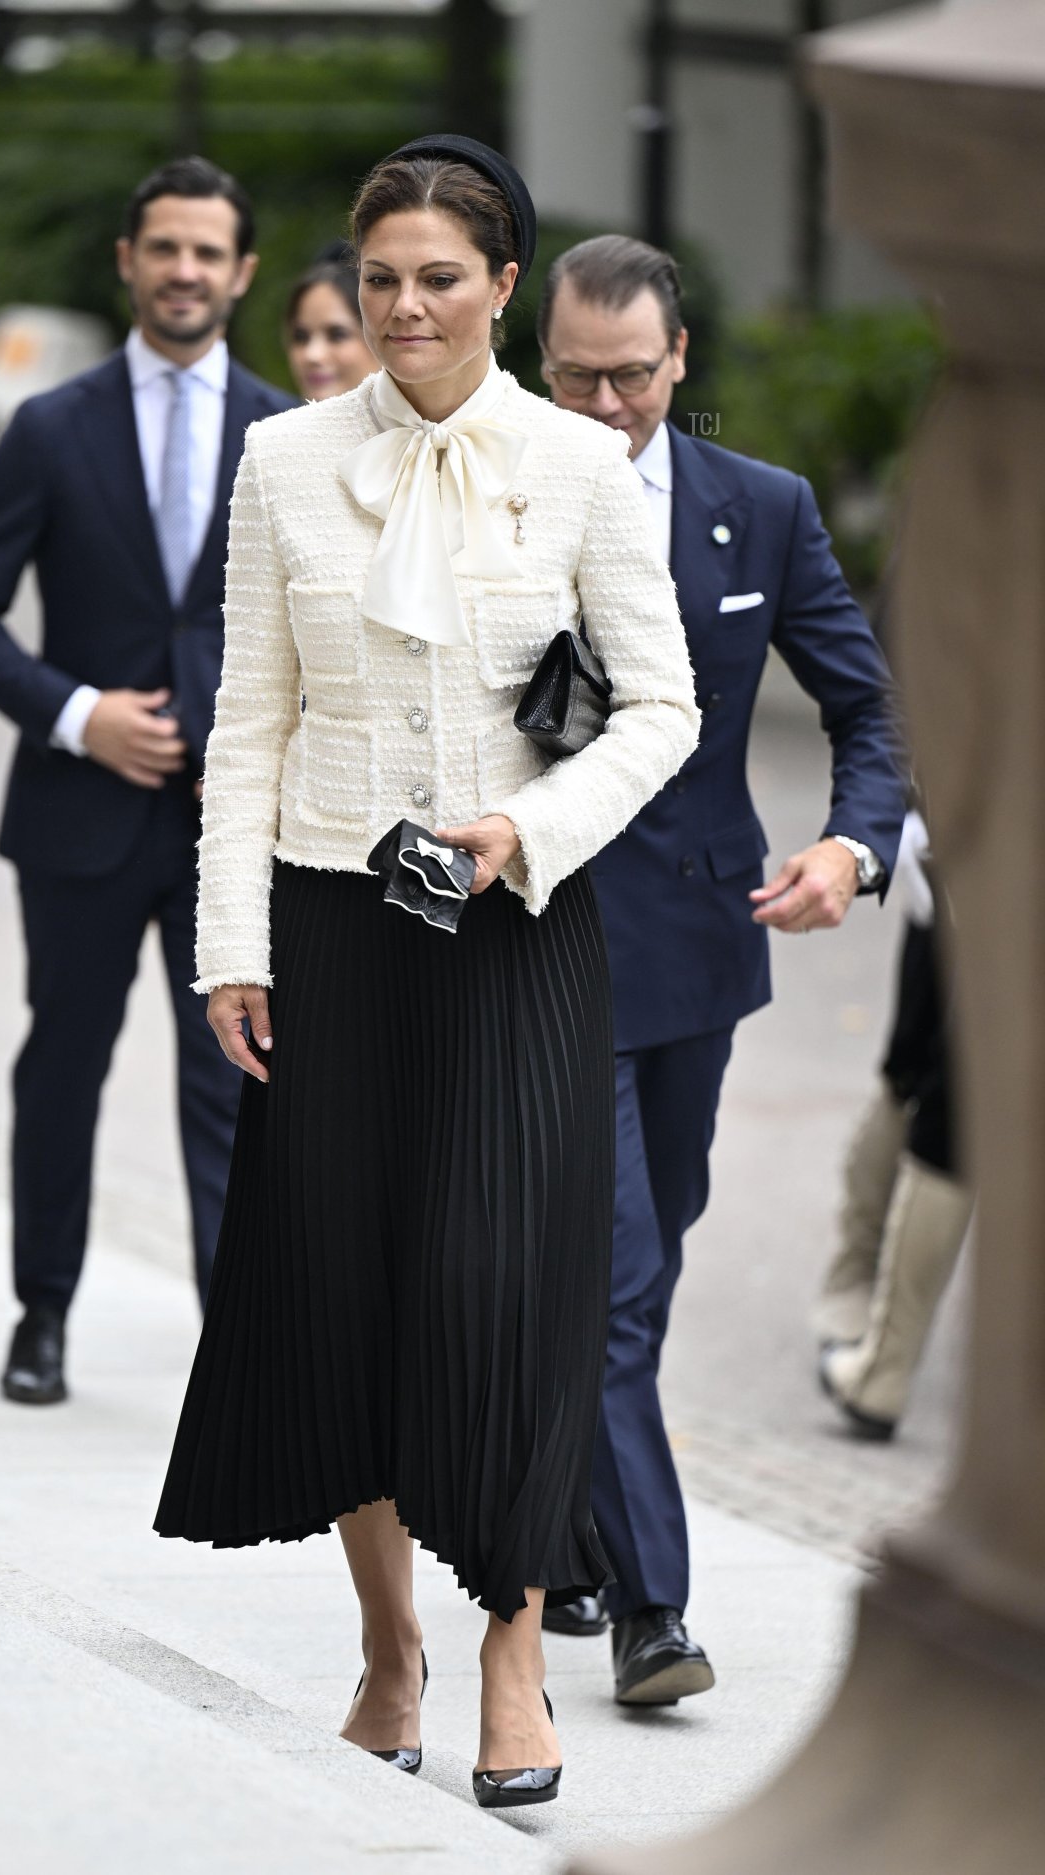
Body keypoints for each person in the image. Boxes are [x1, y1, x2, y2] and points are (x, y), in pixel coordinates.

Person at [153, 137, 699, 1810]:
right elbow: (251, 722)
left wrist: (527, 833)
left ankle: (513, 1651)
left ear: (505, 290)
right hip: (330, 924)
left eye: (438, 280)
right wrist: (231, 948)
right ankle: (388, 1648)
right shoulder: (282, 459)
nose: (402, 308)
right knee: (350, 1297)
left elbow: (663, 712)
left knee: (505, 1301)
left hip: (517, 934)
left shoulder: (585, 464)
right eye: (379, 277)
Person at [536, 236, 905, 1705]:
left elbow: (869, 706)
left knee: (655, 1243)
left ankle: (569, 1507)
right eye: (577, 376)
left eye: (634, 375)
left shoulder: (764, 509)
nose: (610, 404)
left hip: (699, 943)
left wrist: (850, 851)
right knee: (617, 1280)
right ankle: (654, 1611)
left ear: (681, 360)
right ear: (538, 360)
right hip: (545, 941)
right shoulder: (490, 495)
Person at [0, 156, 294, 1406]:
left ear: (241, 273)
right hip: (77, 817)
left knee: (231, 1083)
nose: (185, 270)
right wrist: (78, 718)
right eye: (165, 248)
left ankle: (239, 1341)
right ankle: (42, 1317)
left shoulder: (286, 438)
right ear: (128, 262)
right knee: (63, 1067)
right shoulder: (51, 426)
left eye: (209, 252)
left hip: (227, 828)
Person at [815, 810, 973, 1438]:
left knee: (949, 1097)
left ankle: (881, 1361)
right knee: (920, 1071)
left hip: (980, 846)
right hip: (970, 844)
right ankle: (863, 1316)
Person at [284, 244, 378, 400]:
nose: (312, 355)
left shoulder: (426, 423)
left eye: (337, 335)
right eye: (300, 337)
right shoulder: (270, 423)